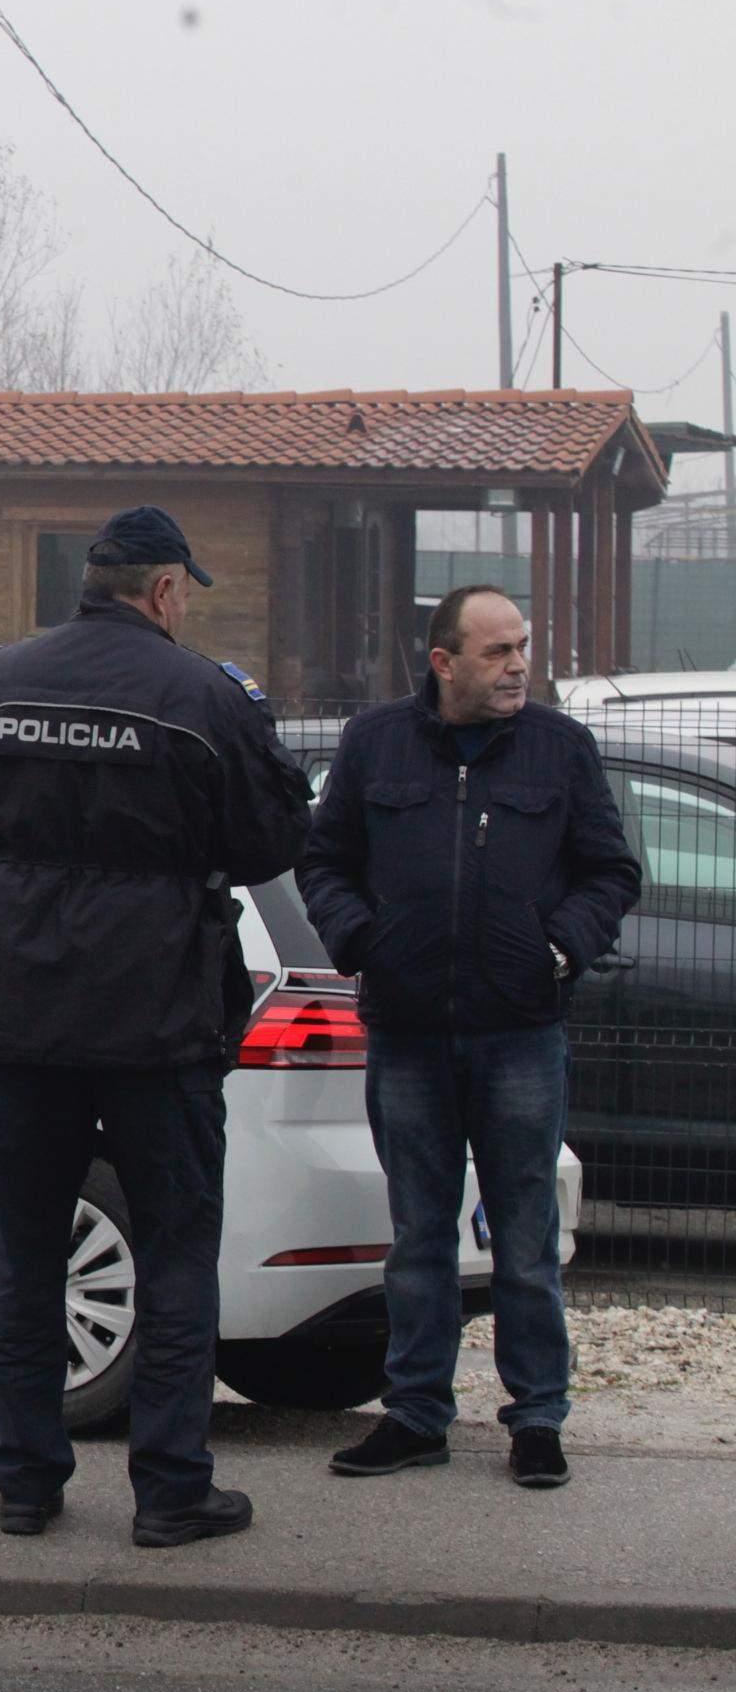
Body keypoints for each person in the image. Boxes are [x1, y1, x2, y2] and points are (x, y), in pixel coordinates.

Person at [0, 505, 311, 1549]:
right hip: (158, 1010)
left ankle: (25, 1481)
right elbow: (274, 833)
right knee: (177, 1252)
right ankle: (172, 1491)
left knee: (22, 1248)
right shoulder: (204, 696)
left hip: (21, 1013)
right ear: (164, 592)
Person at [296, 585, 639, 1491]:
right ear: (443, 662)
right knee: (417, 1237)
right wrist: (364, 942)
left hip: (521, 1034)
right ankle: (415, 1414)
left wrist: (560, 946)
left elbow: (611, 870)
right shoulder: (375, 744)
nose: (518, 665)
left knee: (525, 1238)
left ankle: (536, 1420)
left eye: (522, 646)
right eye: (497, 651)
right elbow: (323, 861)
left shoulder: (560, 749)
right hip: (407, 1034)